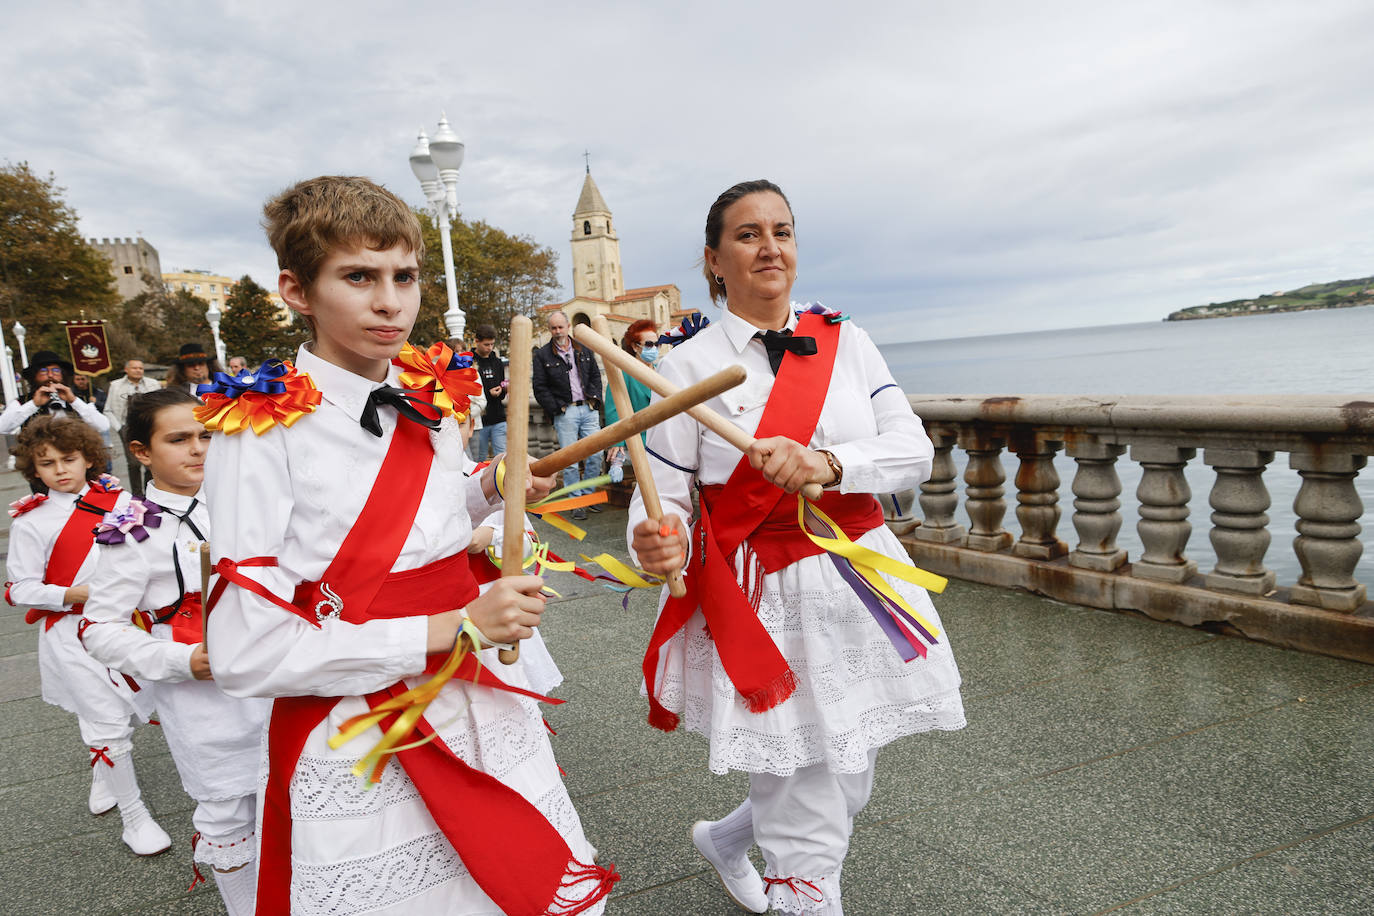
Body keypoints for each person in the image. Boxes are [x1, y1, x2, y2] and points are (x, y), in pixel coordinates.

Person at [203, 175, 616, 914]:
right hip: (358, 722)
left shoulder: (427, 400)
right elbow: (244, 652)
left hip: (473, 696)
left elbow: (418, 513)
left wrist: (491, 483)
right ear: (297, 290)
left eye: (405, 276)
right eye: (358, 277)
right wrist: (456, 625)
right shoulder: (257, 430)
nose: (390, 302)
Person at [627, 180, 965, 916]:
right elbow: (664, 494)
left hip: (860, 575)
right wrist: (657, 542)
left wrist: (831, 464)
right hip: (763, 587)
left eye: (783, 230)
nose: (770, 246)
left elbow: (912, 450)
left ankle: (728, 839)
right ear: (714, 259)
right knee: (805, 783)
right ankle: (802, 890)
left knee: (844, 764)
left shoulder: (849, 342)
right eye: (748, 234)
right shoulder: (684, 367)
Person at [81, 388, 267, 914]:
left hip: (278, 683)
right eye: (179, 439)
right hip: (204, 703)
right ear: (142, 452)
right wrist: (182, 662)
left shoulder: (247, 502)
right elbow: (98, 629)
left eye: (207, 435)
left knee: (292, 801)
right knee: (229, 814)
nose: (198, 449)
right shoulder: (131, 531)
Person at [5, 416, 170, 855]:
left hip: (129, 625)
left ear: (88, 457)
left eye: (69, 459)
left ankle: (104, 769)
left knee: (145, 705)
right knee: (106, 722)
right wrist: (70, 593)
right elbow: (19, 587)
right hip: (70, 631)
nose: (59, 469)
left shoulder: (121, 501)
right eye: (46, 463)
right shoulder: (30, 522)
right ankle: (134, 816)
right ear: (33, 469)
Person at [532, 310, 604, 520]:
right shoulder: (542, 355)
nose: (557, 331)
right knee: (570, 461)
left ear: (567, 327)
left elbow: (595, 376)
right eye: (553, 328)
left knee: (596, 455)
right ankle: (576, 502)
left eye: (560, 327)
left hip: (588, 408)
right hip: (565, 411)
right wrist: (556, 408)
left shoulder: (584, 349)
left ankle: (588, 497)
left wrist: (595, 399)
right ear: (550, 329)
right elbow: (540, 387)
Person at [0, 351, 111, 436]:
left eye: (56, 371)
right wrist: (33, 404)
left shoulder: (78, 399)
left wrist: (74, 401)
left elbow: (103, 426)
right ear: (34, 376)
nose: (50, 375)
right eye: (44, 371)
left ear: (62, 375)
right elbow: (2, 427)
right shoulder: (22, 402)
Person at [603, 319, 659, 484]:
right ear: (635, 346)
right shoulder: (624, 373)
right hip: (638, 443)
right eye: (649, 344)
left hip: (662, 442)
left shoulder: (661, 370)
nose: (654, 349)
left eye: (657, 344)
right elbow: (614, 408)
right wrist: (618, 443)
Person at [104, 359, 162, 497]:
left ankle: (150, 493)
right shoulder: (116, 386)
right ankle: (137, 495)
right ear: (126, 370)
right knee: (134, 463)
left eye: (141, 368)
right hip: (127, 428)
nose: (138, 370)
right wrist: (119, 428)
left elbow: (162, 406)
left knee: (151, 461)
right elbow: (108, 410)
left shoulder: (153, 384)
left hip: (149, 427)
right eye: (134, 368)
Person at [467, 324, 507, 462]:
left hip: (498, 417)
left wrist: (503, 390)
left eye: (492, 344)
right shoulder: (468, 362)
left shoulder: (497, 362)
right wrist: (489, 394)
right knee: (479, 460)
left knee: (502, 459)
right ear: (477, 341)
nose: (490, 348)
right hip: (479, 421)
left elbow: (502, 385)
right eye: (486, 344)